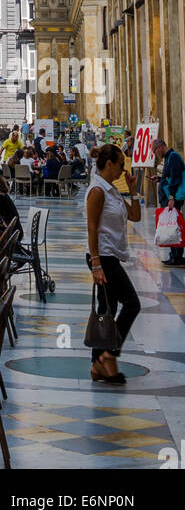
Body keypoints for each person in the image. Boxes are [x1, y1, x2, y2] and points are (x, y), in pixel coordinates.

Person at [85, 143, 142, 383]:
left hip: (110, 255)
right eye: (120, 165)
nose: (122, 170)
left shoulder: (112, 189)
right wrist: (96, 264)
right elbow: (92, 226)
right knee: (131, 304)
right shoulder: (97, 190)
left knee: (107, 308)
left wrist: (133, 190)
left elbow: (135, 216)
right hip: (103, 257)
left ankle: (100, 361)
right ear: (109, 164)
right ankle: (107, 355)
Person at [154, 139, 185, 265]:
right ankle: (174, 255)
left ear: (160, 147)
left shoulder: (173, 157)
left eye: (155, 151)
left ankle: (177, 257)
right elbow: (169, 176)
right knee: (171, 226)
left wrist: (171, 197)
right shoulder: (169, 158)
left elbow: (176, 178)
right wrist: (159, 179)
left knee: (174, 227)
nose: (155, 154)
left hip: (173, 198)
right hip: (170, 197)